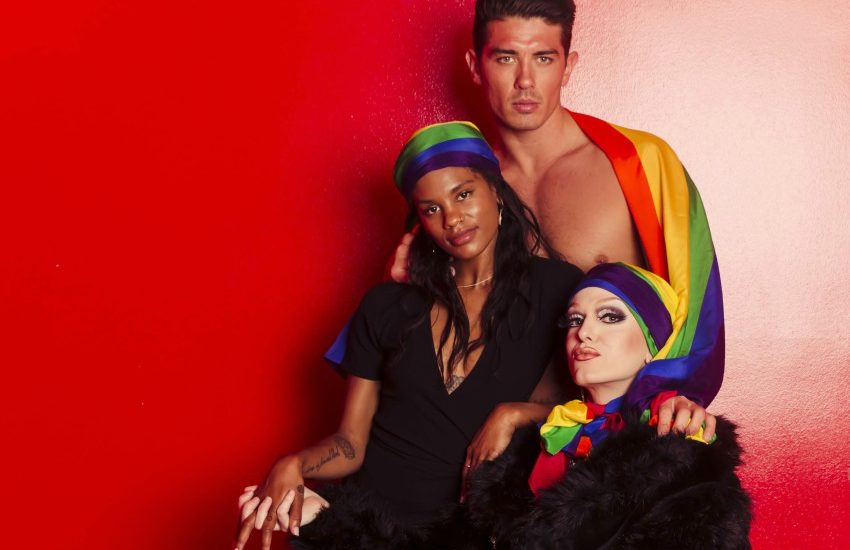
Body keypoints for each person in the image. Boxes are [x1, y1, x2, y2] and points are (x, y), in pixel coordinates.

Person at [384, 0, 725, 466]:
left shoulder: (638, 163)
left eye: (543, 58)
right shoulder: (459, 193)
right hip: (485, 454)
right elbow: (422, 347)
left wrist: (674, 395)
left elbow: (696, 304)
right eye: (505, 57)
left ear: (568, 66)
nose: (525, 81)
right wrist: (411, 285)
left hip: (602, 450)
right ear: (476, 65)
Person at [234, 121, 583, 550]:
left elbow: (588, 405)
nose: (452, 219)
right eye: (431, 208)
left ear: (496, 191)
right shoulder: (386, 307)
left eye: (464, 194)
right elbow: (350, 443)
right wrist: (294, 463)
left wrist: (512, 413)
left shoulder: (555, 290)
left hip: (465, 534)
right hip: (363, 527)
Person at [460, 263, 751, 548]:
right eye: (575, 319)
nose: (583, 332)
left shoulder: (682, 444)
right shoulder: (541, 441)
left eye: (610, 316)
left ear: (655, 345)